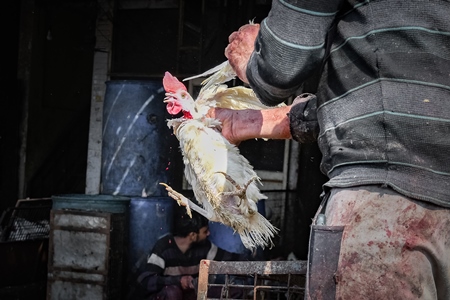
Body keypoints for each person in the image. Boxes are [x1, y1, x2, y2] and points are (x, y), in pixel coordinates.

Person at [207, 1, 450, 299]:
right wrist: (243, 122)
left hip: (385, 200)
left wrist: (256, 58)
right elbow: (403, 101)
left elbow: (283, 64)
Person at [132, 209, 242, 300]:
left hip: (191, 295)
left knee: (233, 291)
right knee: (172, 293)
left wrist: (254, 262)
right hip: (169, 295)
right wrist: (178, 281)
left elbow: (231, 259)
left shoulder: (205, 247)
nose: (209, 234)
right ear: (193, 235)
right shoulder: (164, 247)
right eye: (205, 231)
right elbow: (146, 281)